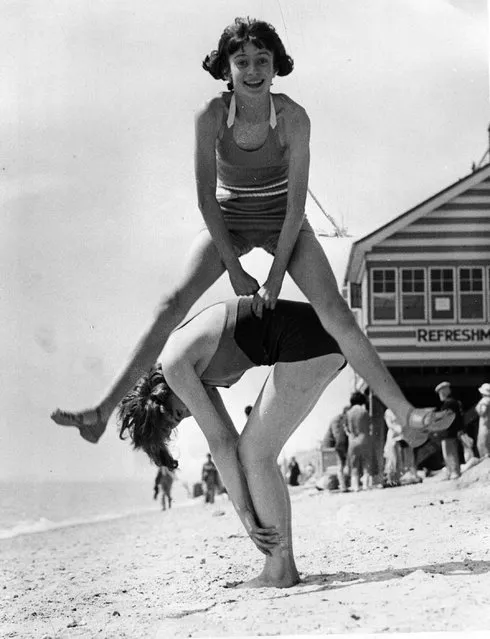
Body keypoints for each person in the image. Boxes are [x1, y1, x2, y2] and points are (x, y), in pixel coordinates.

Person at [51, 17, 454, 451]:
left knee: (335, 309)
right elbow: (206, 200)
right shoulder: (210, 116)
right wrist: (235, 269)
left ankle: (405, 412)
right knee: (171, 302)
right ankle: (101, 411)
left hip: (285, 220)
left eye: (262, 60)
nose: (253, 70)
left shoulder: (294, 118)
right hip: (230, 218)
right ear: (226, 69)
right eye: (241, 61)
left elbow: (297, 207)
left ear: (276, 65)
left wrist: (276, 277)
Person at [116, 296, 351, 588]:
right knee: (255, 453)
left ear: (158, 394)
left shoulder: (175, 366)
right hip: (324, 336)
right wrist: (248, 513)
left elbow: (220, 444)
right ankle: (283, 567)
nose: (187, 414)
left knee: (256, 453)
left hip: (310, 339)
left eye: (178, 413)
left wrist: (247, 519)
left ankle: (279, 572)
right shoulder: (191, 370)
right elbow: (228, 442)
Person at [435, 381, 465, 480]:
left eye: (440, 392)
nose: (440, 395)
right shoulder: (453, 402)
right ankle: (451, 471)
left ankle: (454, 472)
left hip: (448, 433)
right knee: (449, 452)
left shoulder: (449, 403)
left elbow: (446, 419)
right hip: (450, 433)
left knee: (449, 452)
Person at [345, 392, 373, 492]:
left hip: (353, 440)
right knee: (366, 463)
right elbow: (369, 425)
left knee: (354, 465)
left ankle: (355, 486)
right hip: (364, 438)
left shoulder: (348, 413)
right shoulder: (364, 411)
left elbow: (348, 428)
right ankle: (366, 485)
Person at [323, 408, 349, 491]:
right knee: (339, 468)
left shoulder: (340, 420)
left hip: (336, 447)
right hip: (332, 448)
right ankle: (343, 486)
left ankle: (342, 485)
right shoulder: (337, 420)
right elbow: (338, 437)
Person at [476, 383, 490, 459]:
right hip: (487, 425)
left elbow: (482, 412)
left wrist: (478, 408)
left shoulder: (485, 401)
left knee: (482, 444)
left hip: (485, 426)